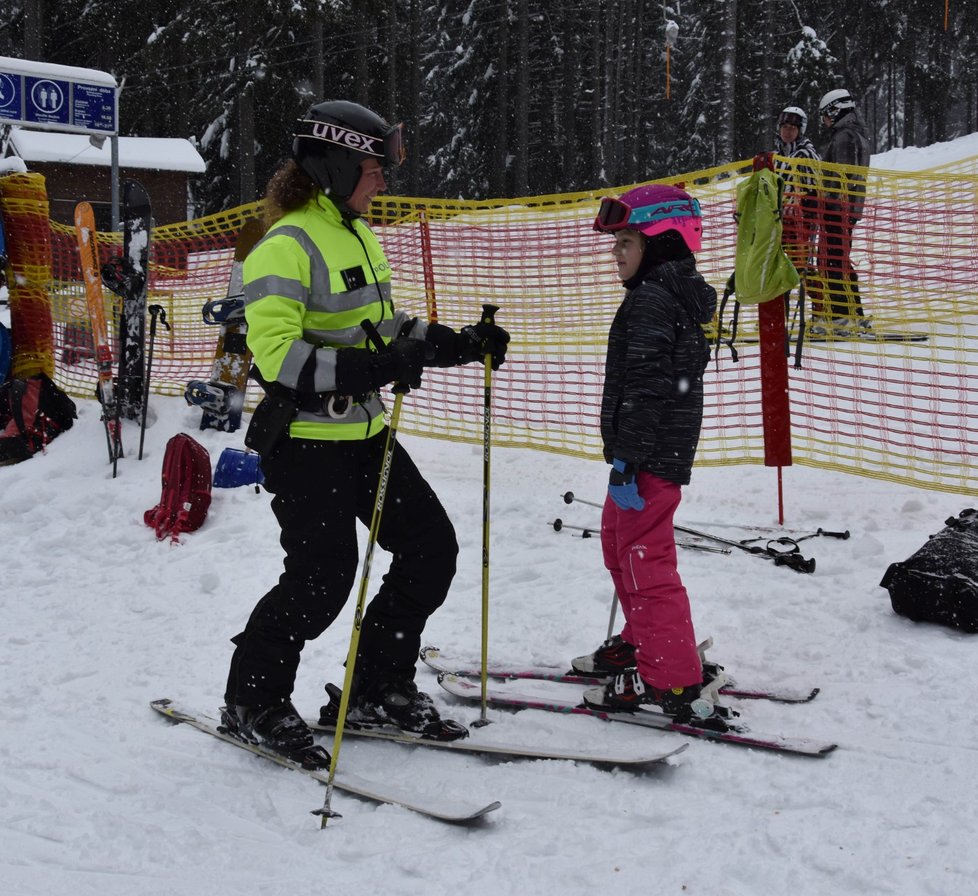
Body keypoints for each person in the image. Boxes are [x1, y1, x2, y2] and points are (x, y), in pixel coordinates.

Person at [220, 100, 510, 768]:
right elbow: (277, 360)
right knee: (322, 579)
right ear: (339, 163)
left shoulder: (355, 233)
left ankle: (375, 686)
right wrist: (378, 364)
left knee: (430, 550)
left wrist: (458, 344)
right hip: (304, 443)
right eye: (375, 167)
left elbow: (384, 327)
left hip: (365, 432)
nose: (383, 181)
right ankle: (252, 699)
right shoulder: (286, 245)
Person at [573, 184, 724, 724]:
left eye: (626, 242)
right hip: (646, 456)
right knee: (621, 548)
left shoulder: (655, 300)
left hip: (650, 460)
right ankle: (644, 642)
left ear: (661, 242)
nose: (616, 253)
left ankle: (672, 680)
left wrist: (629, 458)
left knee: (644, 565)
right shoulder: (657, 294)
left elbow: (648, 385)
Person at [811, 88, 871, 335]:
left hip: (837, 209)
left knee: (833, 259)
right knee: (840, 259)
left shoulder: (845, 137)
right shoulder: (855, 134)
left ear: (836, 111)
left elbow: (842, 175)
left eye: (826, 115)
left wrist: (823, 198)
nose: (824, 121)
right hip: (847, 208)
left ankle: (840, 316)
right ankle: (855, 314)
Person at [773, 105, 821, 275]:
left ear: (800, 130)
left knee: (801, 269)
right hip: (776, 222)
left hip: (801, 223)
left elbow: (815, 186)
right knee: (775, 269)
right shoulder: (774, 157)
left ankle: (819, 300)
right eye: (784, 127)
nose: (787, 131)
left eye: (793, 128)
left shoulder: (807, 155)